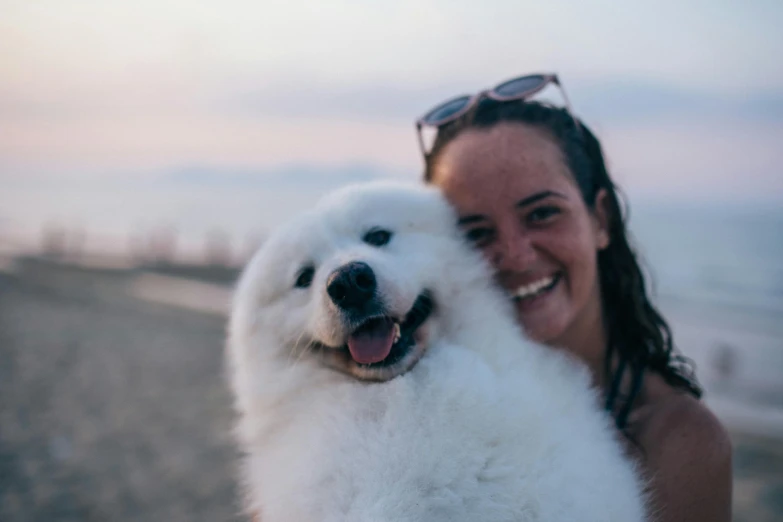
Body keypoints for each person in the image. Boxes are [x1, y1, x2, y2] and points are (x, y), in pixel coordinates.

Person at [416, 74, 732, 522]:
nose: (515, 256)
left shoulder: (675, 440)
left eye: (542, 213)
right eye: (476, 233)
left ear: (600, 219)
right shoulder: (411, 411)